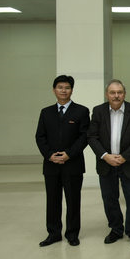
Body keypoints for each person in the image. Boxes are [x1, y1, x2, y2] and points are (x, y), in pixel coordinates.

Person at [88, 79, 130, 246]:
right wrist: (105, 156)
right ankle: (116, 229)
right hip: (106, 163)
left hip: (129, 162)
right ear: (107, 94)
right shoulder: (98, 111)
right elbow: (92, 137)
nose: (116, 96)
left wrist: (125, 156)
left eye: (119, 92)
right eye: (112, 92)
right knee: (109, 199)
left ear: (124, 94)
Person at [35, 75, 90, 247]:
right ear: (54, 90)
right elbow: (40, 137)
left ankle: (72, 234)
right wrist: (49, 155)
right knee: (52, 200)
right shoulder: (46, 112)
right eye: (60, 87)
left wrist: (69, 154)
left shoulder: (81, 111)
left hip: (73, 164)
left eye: (67, 87)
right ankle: (53, 233)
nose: (63, 91)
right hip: (51, 165)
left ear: (71, 90)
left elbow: (84, 137)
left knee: (73, 200)